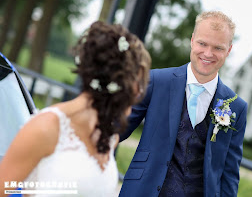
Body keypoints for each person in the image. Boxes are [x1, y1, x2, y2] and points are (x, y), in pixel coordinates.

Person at [0, 21, 151, 197]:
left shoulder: (109, 138)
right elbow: (5, 188)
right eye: (137, 84)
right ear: (118, 83)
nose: (140, 93)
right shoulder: (46, 126)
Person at [119, 11, 248, 197]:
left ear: (228, 50)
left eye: (218, 48)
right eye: (202, 44)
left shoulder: (237, 107)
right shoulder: (156, 81)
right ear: (192, 40)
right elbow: (117, 129)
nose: (208, 53)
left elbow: (229, 175)